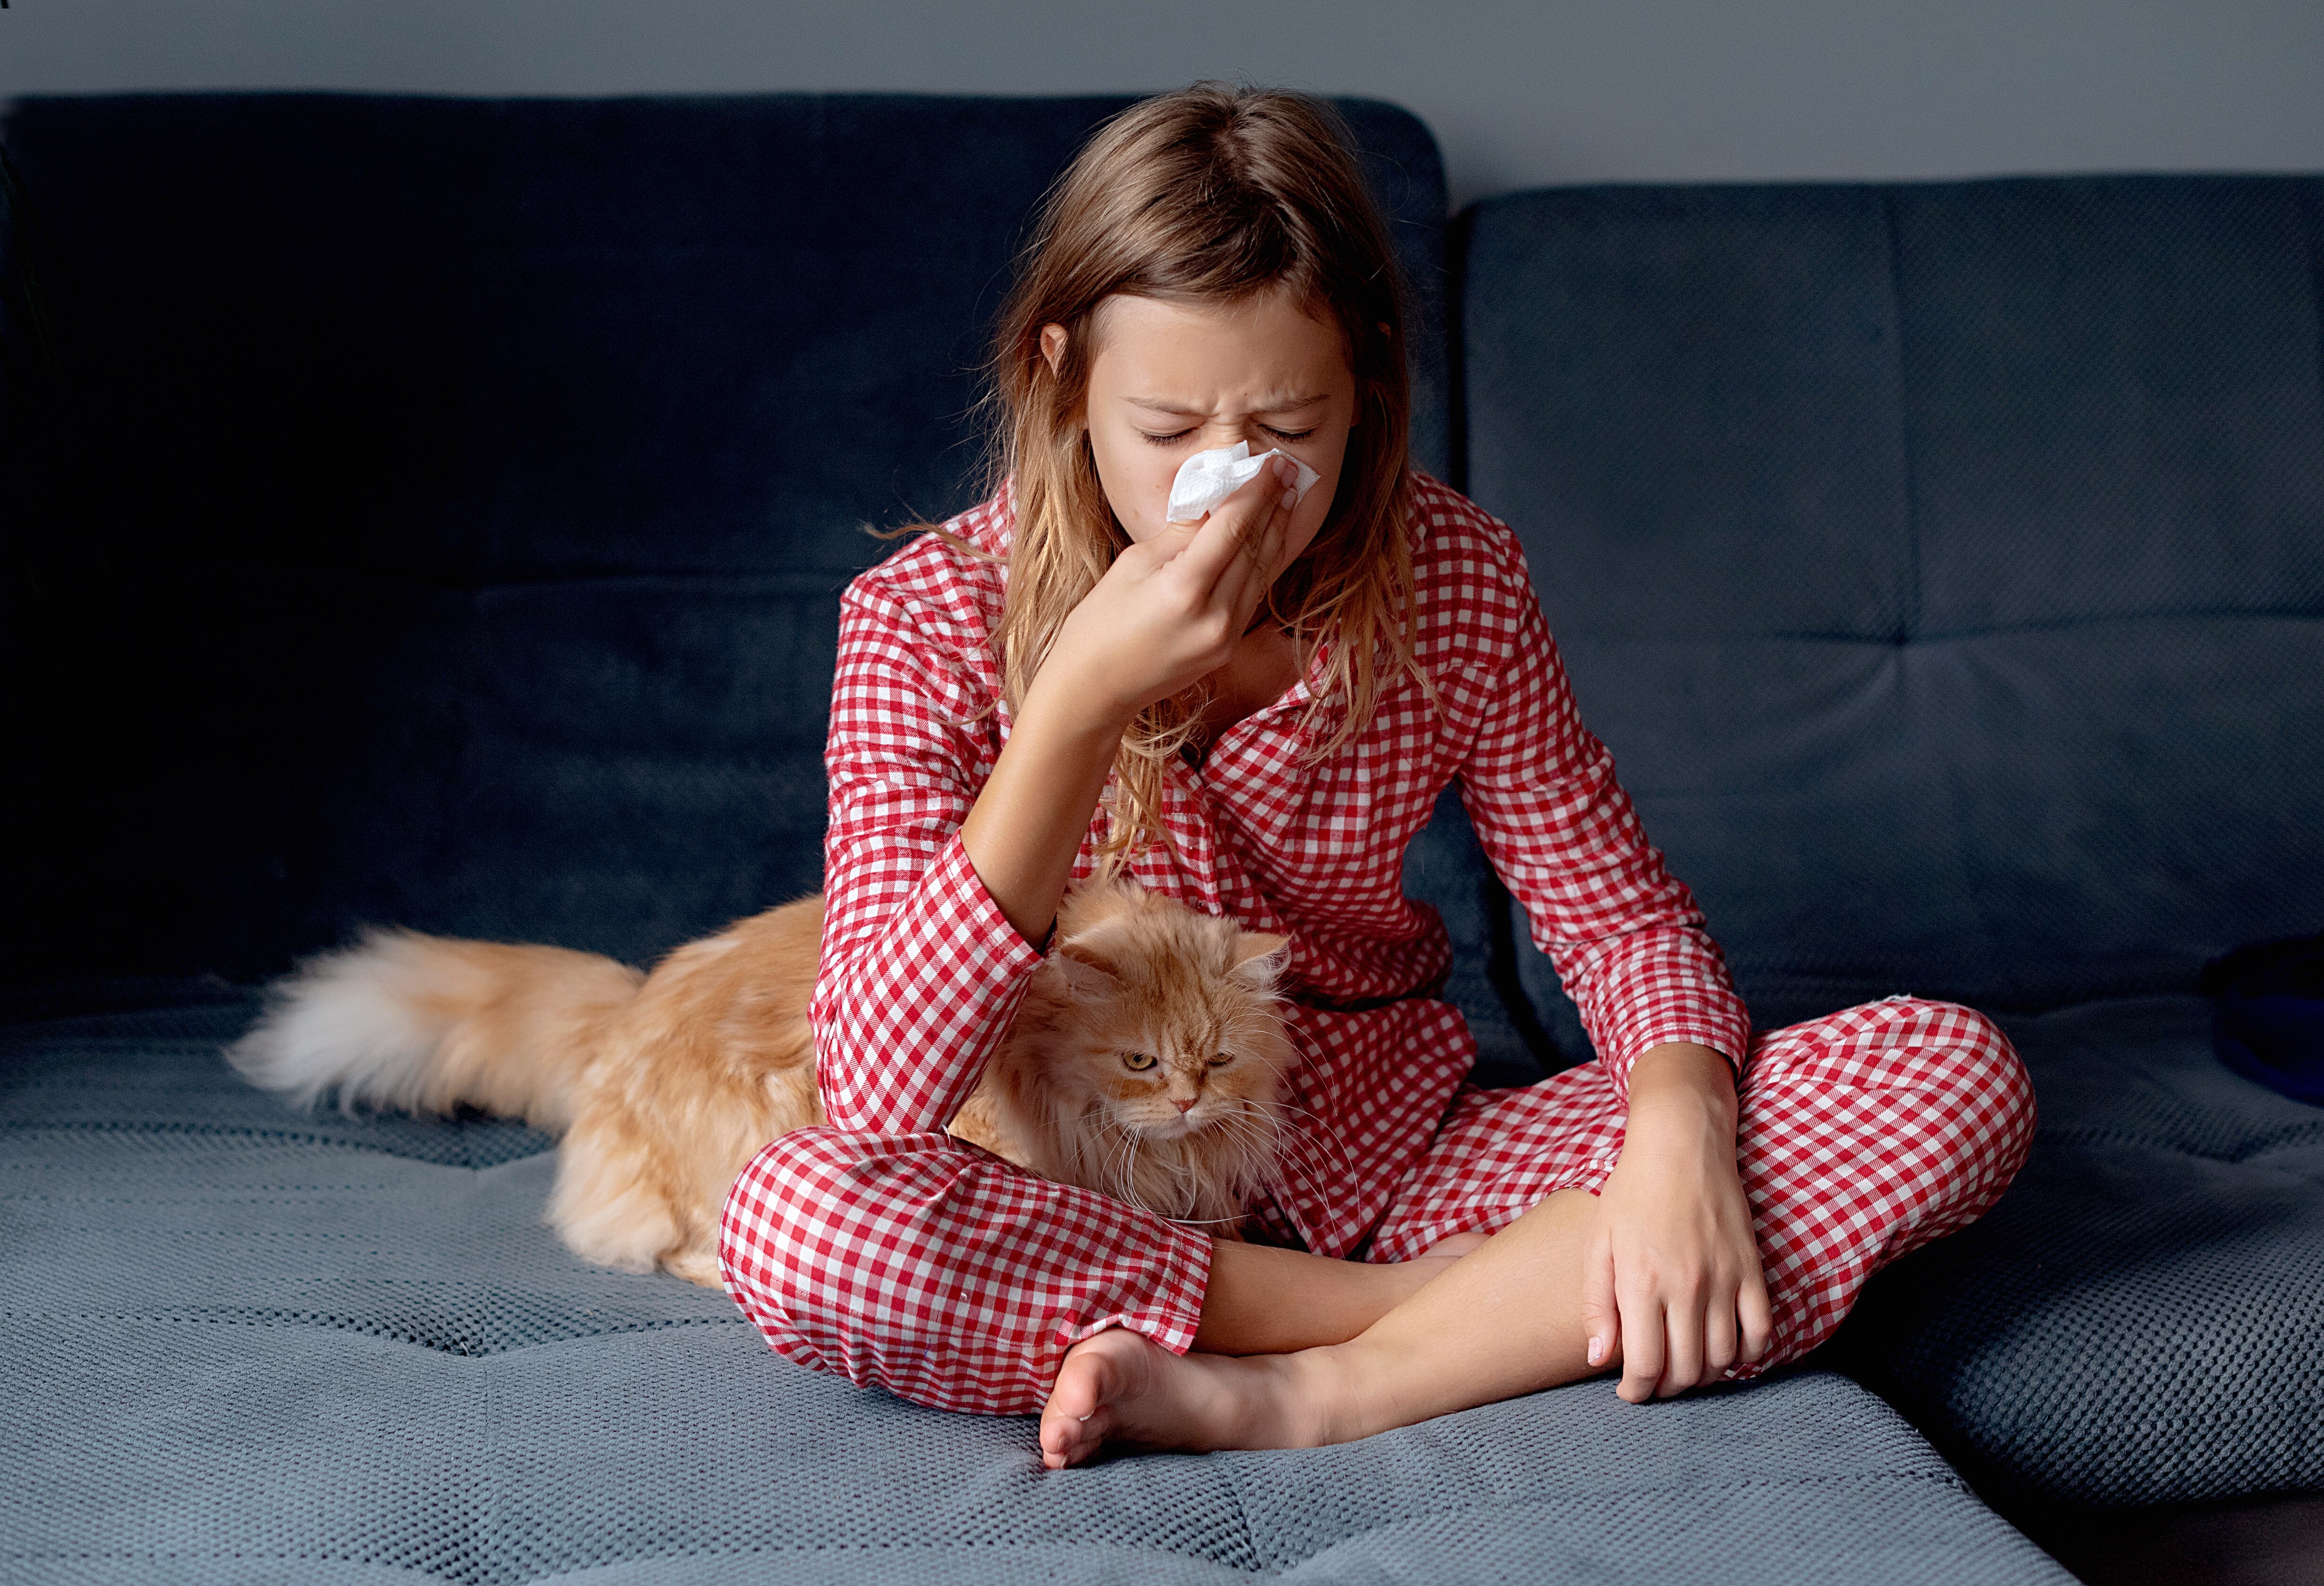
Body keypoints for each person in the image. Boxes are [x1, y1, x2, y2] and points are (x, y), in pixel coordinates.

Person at [718, 84, 2035, 1471]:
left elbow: (1617, 921)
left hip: (1393, 1157)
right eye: (1166, 432)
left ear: (1371, 386)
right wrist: (1074, 710)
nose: (1221, 490)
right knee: (801, 1222)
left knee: (1948, 1075)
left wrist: (1682, 1134)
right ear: (1062, 377)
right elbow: (872, 1095)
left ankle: (1322, 1391)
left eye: (1286, 429)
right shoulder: (921, 619)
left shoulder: (1454, 576)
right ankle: (1443, 1318)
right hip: (1088, 1191)